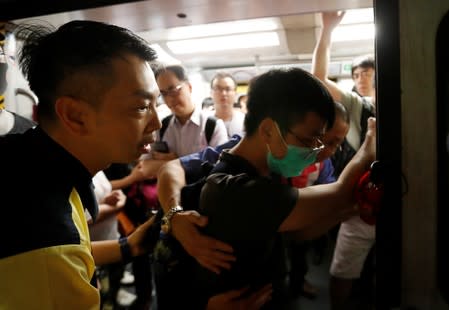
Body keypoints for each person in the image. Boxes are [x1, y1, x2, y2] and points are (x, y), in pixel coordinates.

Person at [0, 20, 160, 309]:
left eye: (155, 104)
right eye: (141, 107)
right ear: (75, 115)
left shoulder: (27, 158)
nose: (156, 123)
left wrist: (130, 246)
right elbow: (57, 254)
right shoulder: (48, 246)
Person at [311, 10, 376, 310]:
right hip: (357, 203)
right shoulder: (356, 106)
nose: (361, 78)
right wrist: (327, 30)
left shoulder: (409, 98)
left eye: (367, 72)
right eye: (356, 74)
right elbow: (318, 79)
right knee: (342, 269)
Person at [210, 72, 245, 137]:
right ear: (211, 93)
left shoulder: (244, 122)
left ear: (235, 93)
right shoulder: (204, 122)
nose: (223, 93)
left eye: (228, 89)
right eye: (218, 89)